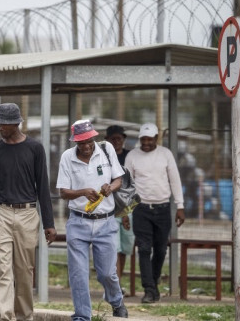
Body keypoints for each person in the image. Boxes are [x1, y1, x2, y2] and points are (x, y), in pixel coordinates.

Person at [0, 103, 56, 321]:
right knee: (3, 269)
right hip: (1, 213)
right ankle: (5, 316)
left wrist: (48, 223)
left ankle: (24, 316)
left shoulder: (35, 148)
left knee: (24, 271)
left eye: (4, 123)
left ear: (16, 123)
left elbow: (42, 186)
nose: (0, 127)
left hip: (27, 213)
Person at [56, 119, 128, 320]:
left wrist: (109, 188)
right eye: (81, 143)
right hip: (78, 222)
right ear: (75, 142)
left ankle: (116, 300)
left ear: (94, 137)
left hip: (105, 221)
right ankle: (82, 316)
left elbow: (119, 180)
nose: (86, 146)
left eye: (89, 141)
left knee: (106, 273)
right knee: (78, 274)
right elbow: (63, 192)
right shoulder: (67, 157)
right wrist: (81, 192)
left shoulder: (106, 150)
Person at [125, 122, 185, 304]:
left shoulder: (165, 154)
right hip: (141, 209)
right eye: (143, 139)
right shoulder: (132, 156)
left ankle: (154, 281)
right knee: (143, 249)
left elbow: (175, 180)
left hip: (163, 209)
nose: (146, 143)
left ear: (156, 139)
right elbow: (127, 186)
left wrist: (180, 206)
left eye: (149, 139)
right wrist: (125, 214)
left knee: (160, 250)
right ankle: (149, 290)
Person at [104, 125, 135, 293]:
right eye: (113, 139)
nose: (116, 142)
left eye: (119, 138)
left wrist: (126, 212)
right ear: (107, 140)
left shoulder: (129, 157)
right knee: (113, 248)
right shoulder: (102, 157)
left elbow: (131, 186)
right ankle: (114, 285)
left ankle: (118, 282)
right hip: (109, 208)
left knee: (124, 247)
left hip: (128, 208)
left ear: (123, 139)